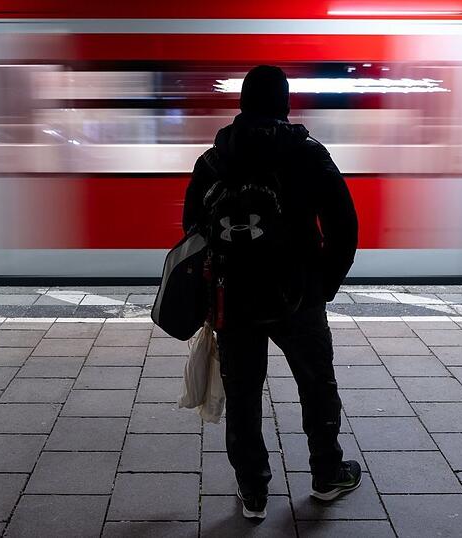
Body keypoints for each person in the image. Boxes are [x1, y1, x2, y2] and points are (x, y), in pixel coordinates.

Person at [182, 65, 360, 519]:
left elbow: (192, 230)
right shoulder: (309, 154)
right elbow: (345, 224)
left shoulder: (213, 160)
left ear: (241, 105)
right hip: (299, 294)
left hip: (234, 298)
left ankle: (253, 492)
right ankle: (325, 475)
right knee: (316, 382)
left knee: (243, 393)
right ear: (285, 103)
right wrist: (325, 284)